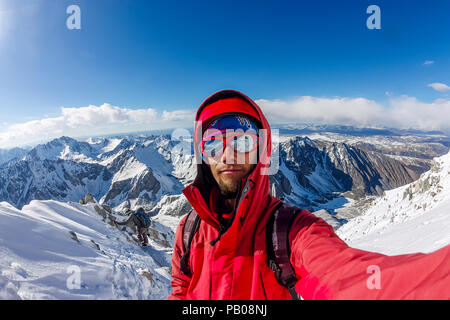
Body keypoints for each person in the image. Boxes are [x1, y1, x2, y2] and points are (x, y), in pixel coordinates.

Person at [168, 89, 450, 300]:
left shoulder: (289, 232)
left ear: (261, 151)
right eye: (214, 143)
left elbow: (344, 279)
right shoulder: (188, 231)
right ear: (201, 154)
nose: (228, 156)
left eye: (242, 141)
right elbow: (181, 289)